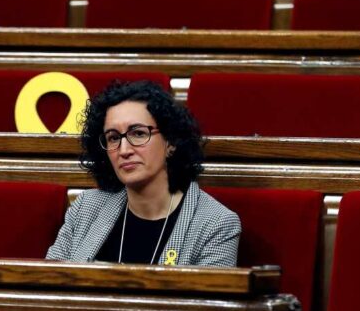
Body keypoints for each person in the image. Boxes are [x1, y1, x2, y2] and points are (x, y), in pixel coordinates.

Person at [46, 80, 240, 266]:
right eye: (113, 138)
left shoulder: (216, 224)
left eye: (138, 134)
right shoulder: (85, 208)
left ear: (170, 142)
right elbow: (50, 286)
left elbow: (203, 300)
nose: (124, 150)